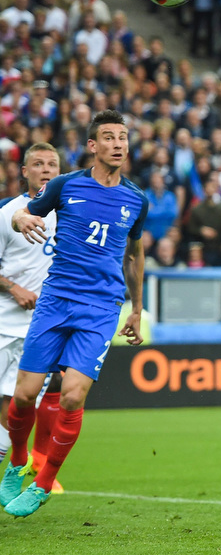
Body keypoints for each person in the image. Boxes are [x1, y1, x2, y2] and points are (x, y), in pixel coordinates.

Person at [1, 109, 148, 517]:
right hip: (56, 301)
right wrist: (20, 217)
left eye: (123, 137)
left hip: (101, 308)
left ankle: (44, 483)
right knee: (25, 396)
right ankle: (17, 462)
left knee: (72, 396)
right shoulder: (65, 186)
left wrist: (137, 309)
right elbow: (21, 211)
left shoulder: (136, 198)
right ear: (92, 146)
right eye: (109, 137)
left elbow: (134, 255)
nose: (118, 144)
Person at [0, 144, 61, 491]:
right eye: (38, 164)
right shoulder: (8, 213)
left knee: (18, 409)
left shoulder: (70, 215)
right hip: (2, 324)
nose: (46, 169)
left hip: (40, 331)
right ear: (25, 171)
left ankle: (29, 465)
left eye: (52, 164)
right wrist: (12, 288)